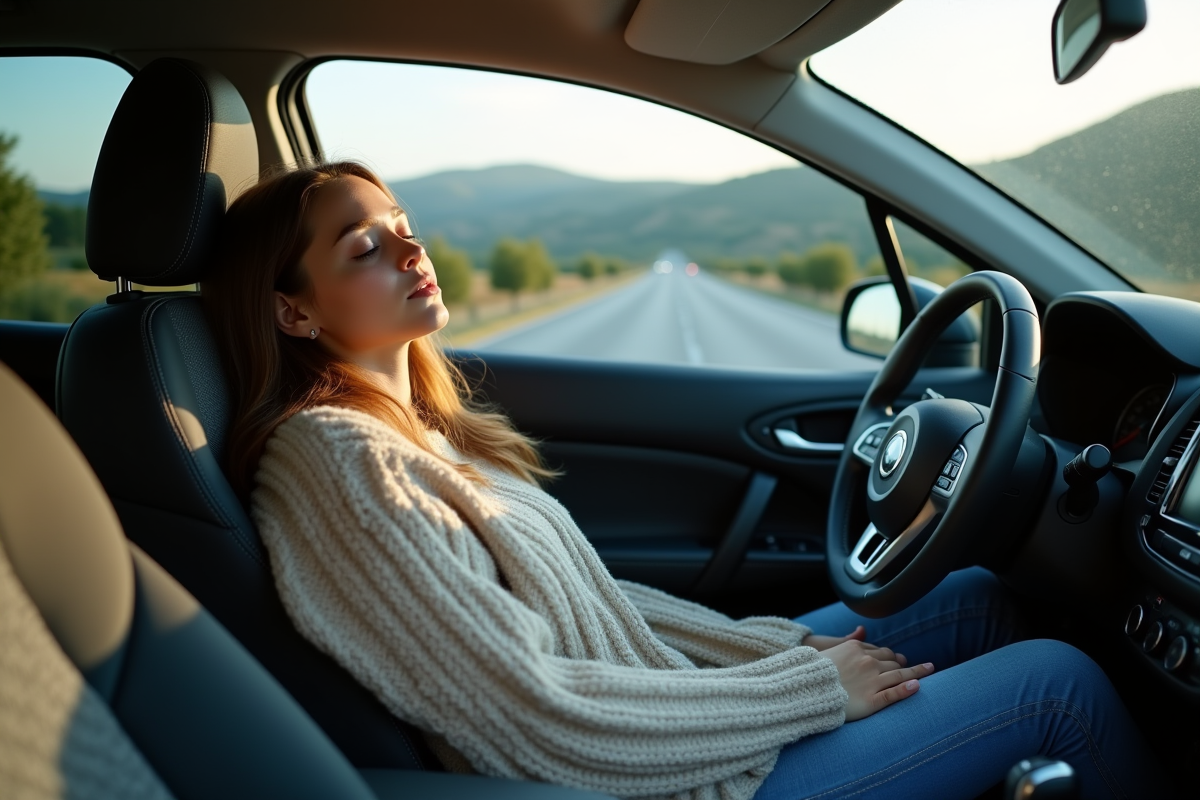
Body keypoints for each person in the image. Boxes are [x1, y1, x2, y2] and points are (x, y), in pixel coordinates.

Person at [203, 162, 1169, 800]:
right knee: (1059, 687)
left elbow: (594, 608)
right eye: (365, 248)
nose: (412, 250)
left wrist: (774, 651)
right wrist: (805, 693)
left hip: (666, 725)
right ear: (293, 313)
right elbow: (525, 714)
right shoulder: (339, 461)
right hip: (661, 782)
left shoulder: (409, 431)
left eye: (403, 226)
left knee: (977, 598)